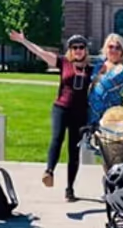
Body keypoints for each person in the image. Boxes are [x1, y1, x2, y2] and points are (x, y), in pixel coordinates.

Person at [9, 30, 92, 202]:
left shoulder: (92, 68)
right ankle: (49, 171)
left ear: (85, 50)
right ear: (70, 50)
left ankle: (70, 189)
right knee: (57, 138)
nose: (78, 50)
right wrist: (24, 41)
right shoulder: (63, 62)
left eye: (81, 47)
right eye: (74, 47)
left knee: (74, 151)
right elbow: (40, 52)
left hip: (80, 113)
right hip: (61, 107)